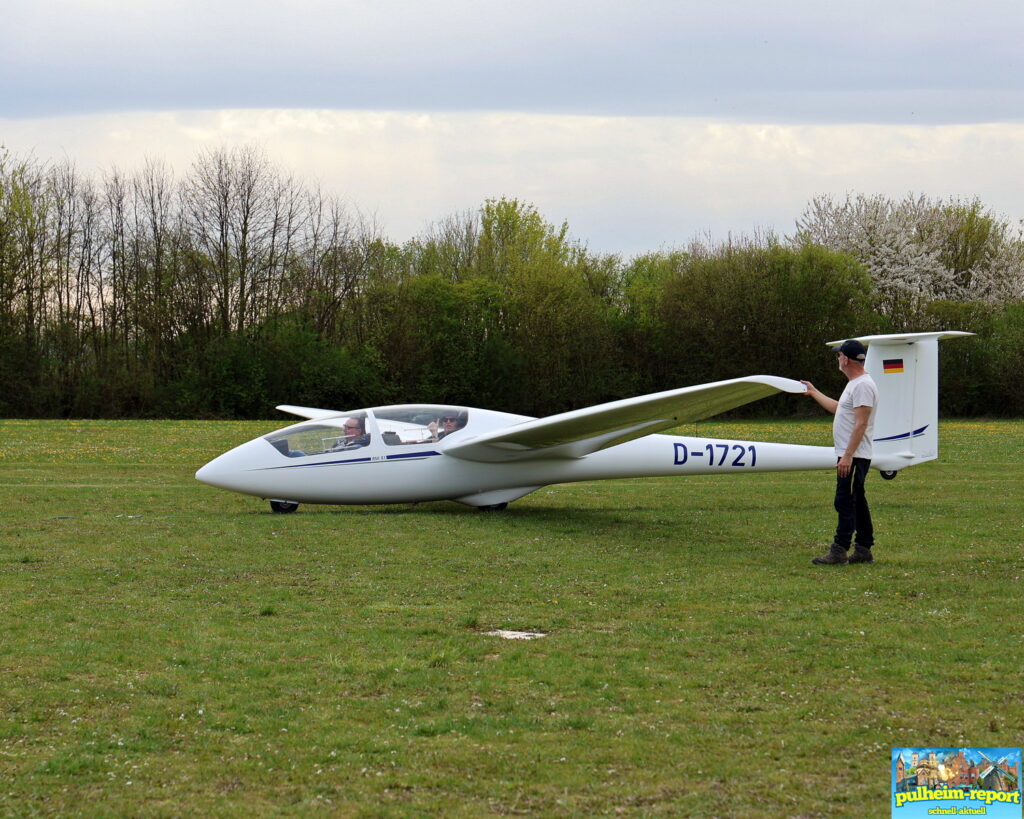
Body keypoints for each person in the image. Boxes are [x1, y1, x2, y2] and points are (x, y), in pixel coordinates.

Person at [801, 339, 879, 565]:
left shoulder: (862, 385)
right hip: (853, 455)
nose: (837, 359)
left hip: (854, 455)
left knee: (844, 501)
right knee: (857, 501)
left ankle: (839, 550)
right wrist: (814, 392)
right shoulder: (855, 384)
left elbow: (861, 423)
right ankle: (863, 549)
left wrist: (847, 456)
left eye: (838, 355)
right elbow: (840, 409)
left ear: (845, 359)